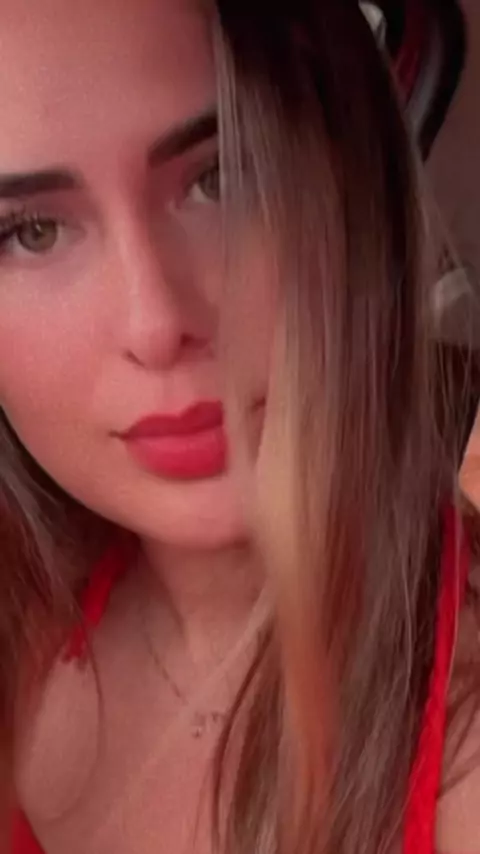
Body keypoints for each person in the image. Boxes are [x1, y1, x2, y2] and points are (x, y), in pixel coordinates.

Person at [0, 0, 479, 852]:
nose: (156, 323)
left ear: (351, 185)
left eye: (225, 177)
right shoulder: (27, 615)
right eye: (32, 232)